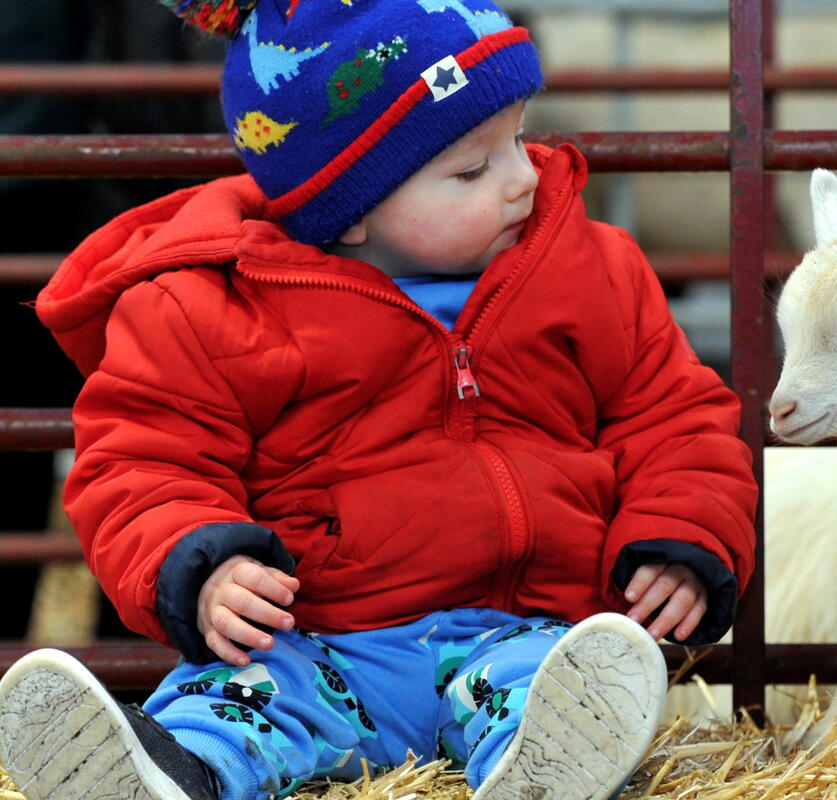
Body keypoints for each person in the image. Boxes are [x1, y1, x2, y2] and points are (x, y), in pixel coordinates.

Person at [0, 1, 757, 799]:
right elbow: (143, 461)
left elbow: (673, 414)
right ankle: (172, 773)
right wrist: (201, 564)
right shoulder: (210, 307)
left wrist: (679, 535)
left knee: (572, 688)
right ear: (348, 209)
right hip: (320, 646)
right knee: (235, 703)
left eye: (519, 137)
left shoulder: (588, 268)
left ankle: (542, 769)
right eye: (473, 169)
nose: (525, 179)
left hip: (525, 628)